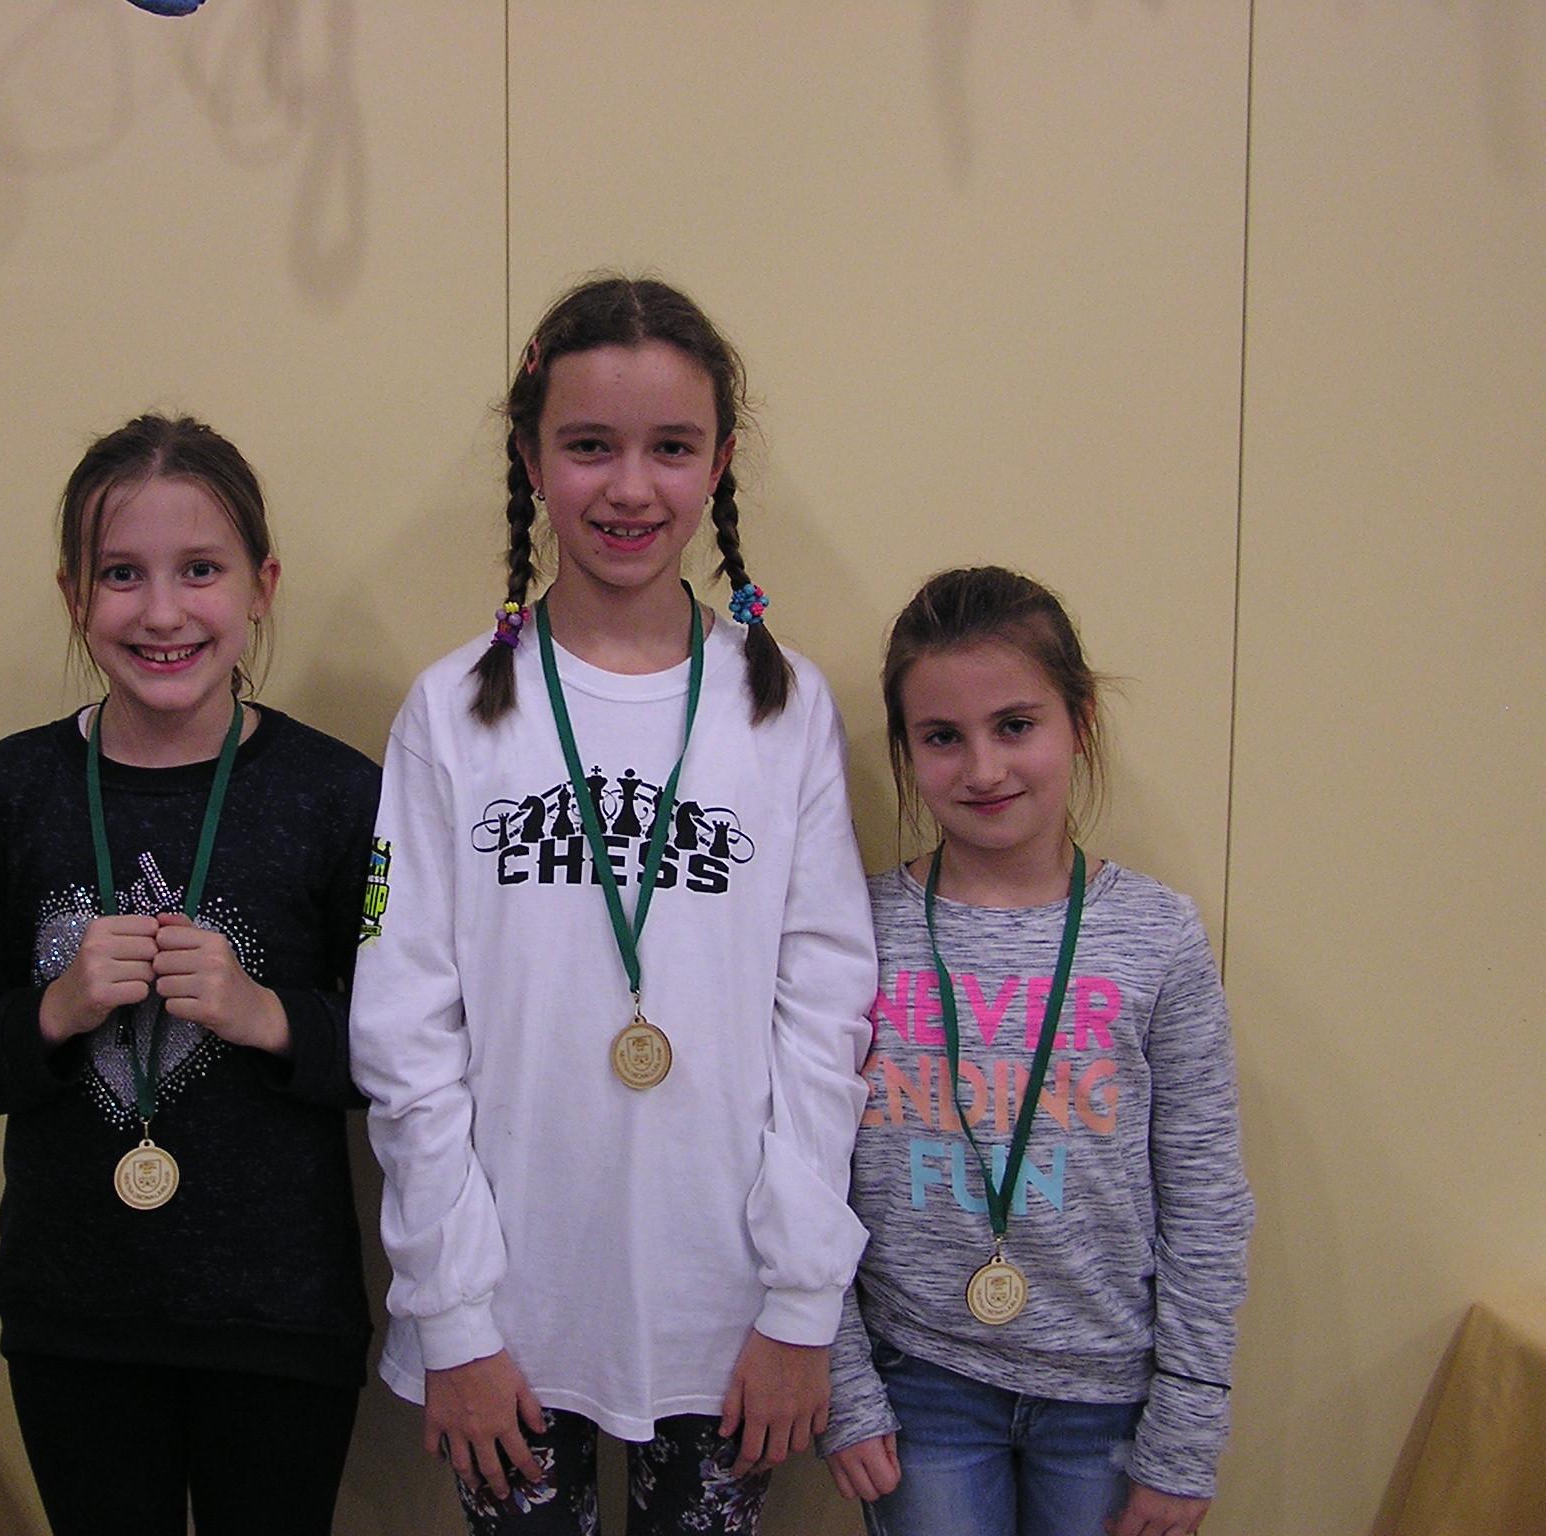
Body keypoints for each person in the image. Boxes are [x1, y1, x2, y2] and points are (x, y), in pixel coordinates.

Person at [350, 275, 877, 1534]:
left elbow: (826, 1023)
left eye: (670, 448)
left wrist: (800, 1303)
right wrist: (452, 1315)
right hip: (503, 1313)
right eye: (589, 445)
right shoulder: (452, 711)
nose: (629, 488)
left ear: (720, 463)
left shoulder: (782, 707)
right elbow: (402, 1033)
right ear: (531, 458)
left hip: (730, 1312)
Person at [0, 413, 376, 1536]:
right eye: (121, 574)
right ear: (74, 596)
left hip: (280, 1318)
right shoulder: (2, 795)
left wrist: (271, 1015)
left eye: (200, 570)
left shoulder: (342, 796)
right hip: (75, 1317)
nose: (162, 612)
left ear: (261, 587)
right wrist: (54, 1009)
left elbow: (411, 1047)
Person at [822, 566, 1254, 1536]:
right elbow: (808, 1173)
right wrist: (843, 1381)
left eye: (1015, 725)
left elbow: (1205, 1197)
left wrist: (1187, 1426)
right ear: (906, 749)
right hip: (919, 1380)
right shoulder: (857, 931)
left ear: (1080, 721)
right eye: (942, 737)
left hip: (1108, 1392)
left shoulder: (1158, 937)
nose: (982, 769)